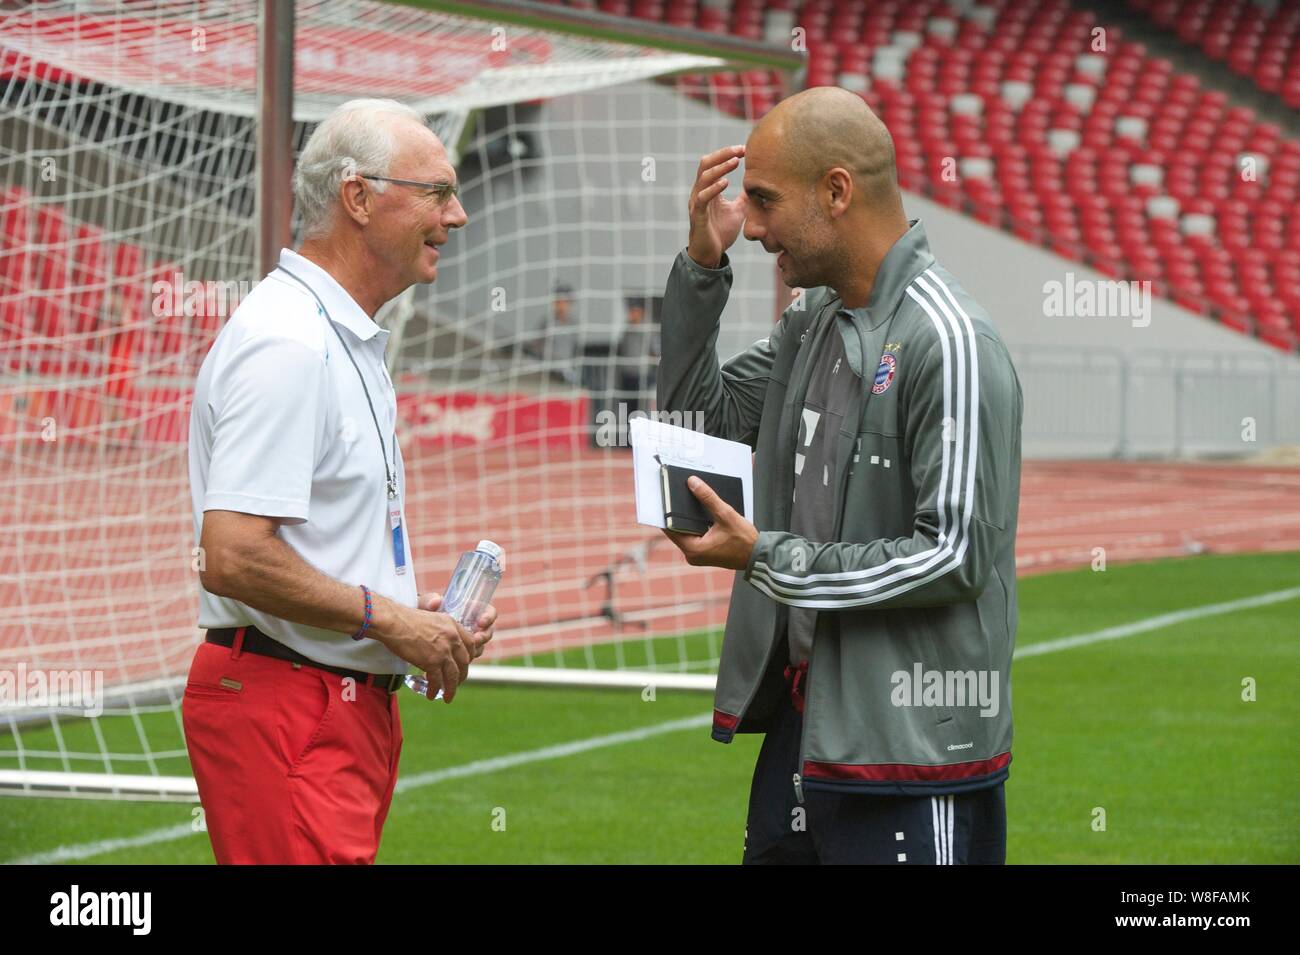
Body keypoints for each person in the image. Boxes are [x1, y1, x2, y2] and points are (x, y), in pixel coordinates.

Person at [656, 87, 1023, 865]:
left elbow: (954, 554)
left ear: (836, 191)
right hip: (808, 730)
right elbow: (695, 433)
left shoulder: (948, 342)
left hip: (912, 753)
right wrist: (699, 268)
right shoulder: (812, 323)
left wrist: (767, 556)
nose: (750, 225)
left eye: (763, 200)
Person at [184, 98, 497, 864]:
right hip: (288, 701)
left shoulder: (339, 334)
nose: (455, 216)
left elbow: (313, 539)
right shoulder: (289, 341)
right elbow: (233, 554)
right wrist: (389, 621)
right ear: (358, 197)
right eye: (435, 193)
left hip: (329, 699)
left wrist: (401, 614)